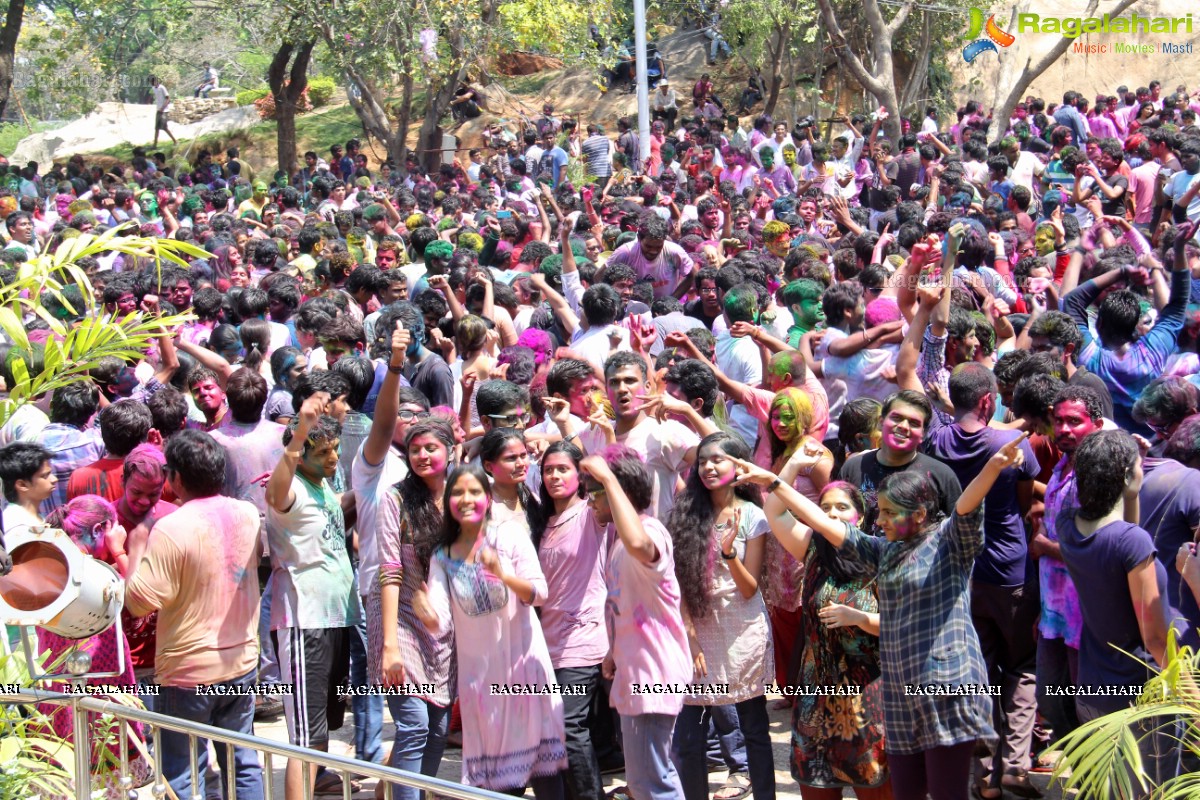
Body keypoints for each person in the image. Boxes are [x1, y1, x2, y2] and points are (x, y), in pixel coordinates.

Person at [733, 434, 1030, 800]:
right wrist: (775, 481)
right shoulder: (884, 551)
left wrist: (994, 466)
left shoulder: (950, 544)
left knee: (947, 791)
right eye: (881, 511)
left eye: (890, 513)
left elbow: (966, 506)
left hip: (945, 687)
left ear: (920, 513)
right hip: (900, 695)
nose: (881, 519)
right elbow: (825, 525)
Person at [412, 464, 569, 798]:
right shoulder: (442, 556)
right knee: (500, 785)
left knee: (544, 774)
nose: (465, 499)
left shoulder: (509, 536)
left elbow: (539, 593)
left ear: (487, 497)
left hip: (524, 673)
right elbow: (441, 621)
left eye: (473, 492)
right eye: (457, 492)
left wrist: (503, 574)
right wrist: (426, 615)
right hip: (482, 686)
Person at [124, 430, 264, 800]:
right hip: (241, 662)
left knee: (183, 770)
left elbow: (139, 601)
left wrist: (135, 549)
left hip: (188, 674)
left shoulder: (170, 528)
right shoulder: (248, 512)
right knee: (243, 762)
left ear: (176, 478)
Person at [1056, 430, 1179, 791]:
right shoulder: (1130, 543)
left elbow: (1125, 537)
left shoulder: (1068, 524)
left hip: (1094, 686)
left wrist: (1129, 492)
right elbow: (1155, 638)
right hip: (1138, 694)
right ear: (1127, 475)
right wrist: (1191, 694)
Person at [667, 432, 775, 800]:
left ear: (738, 466)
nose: (709, 467)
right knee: (690, 736)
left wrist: (729, 554)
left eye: (718, 459)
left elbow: (749, 589)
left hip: (742, 630)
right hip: (698, 631)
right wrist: (690, 636)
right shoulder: (685, 514)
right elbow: (677, 586)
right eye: (703, 461)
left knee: (753, 728)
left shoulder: (753, 516)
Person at [579, 448, 691, 800]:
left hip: (653, 674)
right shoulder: (620, 543)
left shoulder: (649, 532)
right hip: (637, 671)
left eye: (594, 495)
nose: (589, 503)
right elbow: (620, 605)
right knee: (649, 778)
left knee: (650, 784)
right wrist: (613, 652)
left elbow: (641, 545)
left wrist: (609, 478)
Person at [265, 397, 360, 800]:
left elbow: (341, 508)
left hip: (335, 619)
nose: (334, 457)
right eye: (322, 452)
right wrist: (300, 432)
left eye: (335, 448)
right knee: (303, 738)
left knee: (320, 732)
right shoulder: (288, 492)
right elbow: (274, 491)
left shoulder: (320, 486)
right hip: (304, 622)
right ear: (300, 455)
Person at [373, 419, 457, 800]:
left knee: (439, 728)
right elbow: (389, 571)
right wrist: (389, 645)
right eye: (414, 449)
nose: (422, 455)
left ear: (450, 450)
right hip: (400, 619)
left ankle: (417, 793)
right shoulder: (395, 499)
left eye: (430, 448)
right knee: (415, 724)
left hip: (445, 626)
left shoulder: (463, 497)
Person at [534, 440, 607, 800]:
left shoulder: (593, 514)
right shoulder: (541, 521)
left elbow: (610, 466)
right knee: (551, 728)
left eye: (563, 468)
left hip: (584, 639)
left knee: (570, 725)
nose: (554, 476)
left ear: (580, 475)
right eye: (548, 469)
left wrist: (567, 427)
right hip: (544, 641)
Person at [150, 75, 177, 147]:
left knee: (164, 127)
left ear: (156, 81)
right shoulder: (153, 88)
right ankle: (154, 145)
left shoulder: (162, 87)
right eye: (151, 82)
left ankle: (175, 141)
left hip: (164, 110)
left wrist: (162, 108)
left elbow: (168, 99)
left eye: (153, 81)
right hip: (158, 110)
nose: (152, 83)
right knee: (156, 128)